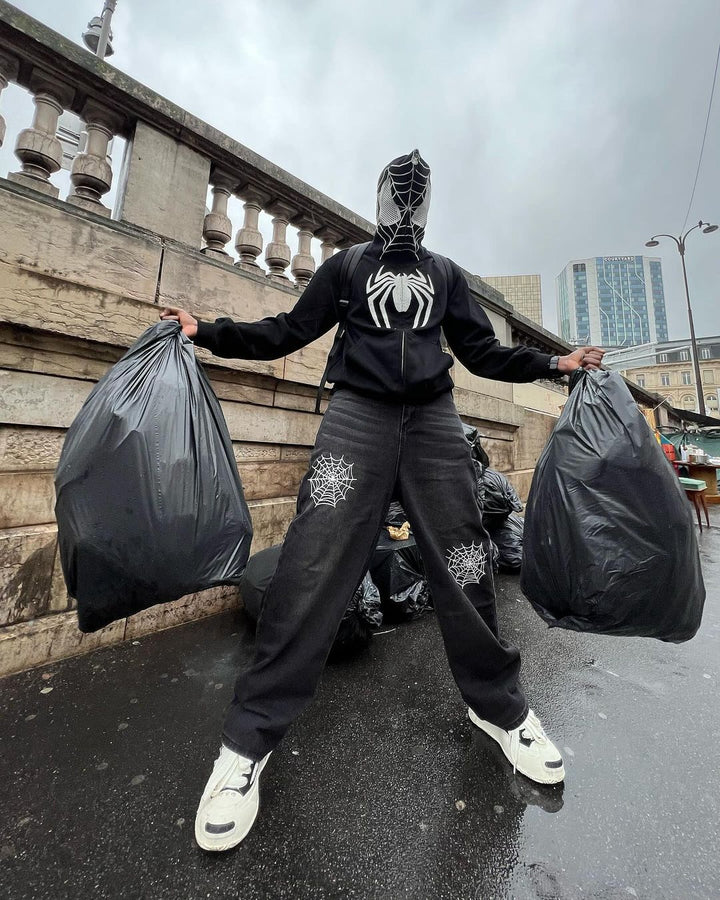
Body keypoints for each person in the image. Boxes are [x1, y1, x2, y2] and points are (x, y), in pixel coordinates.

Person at [161, 150, 604, 852]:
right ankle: (248, 744)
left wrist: (554, 363)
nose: (407, 212)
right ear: (378, 200)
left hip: (432, 423)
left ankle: (500, 707)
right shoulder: (346, 267)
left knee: (464, 562)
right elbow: (286, 331)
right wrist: (205, 331)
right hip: (357, 419)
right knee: (311, 568)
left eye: (417, 201)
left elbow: (483, 353)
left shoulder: (446, 275)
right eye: (398, 199)